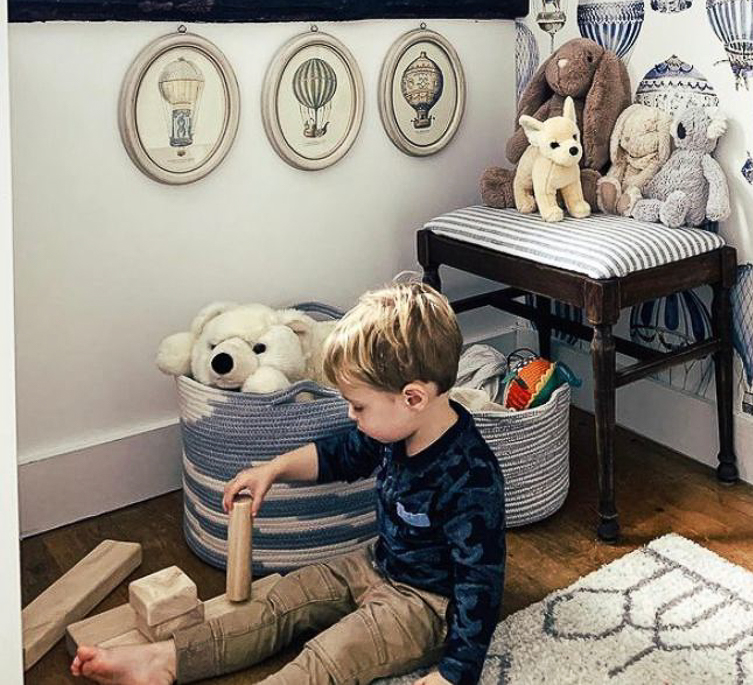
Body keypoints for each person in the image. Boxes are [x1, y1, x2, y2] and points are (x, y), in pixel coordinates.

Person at [71, 279, 506, 685]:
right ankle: (167, 658)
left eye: (358, 407)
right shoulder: (395, 429)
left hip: (426, 604)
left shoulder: (471, 477)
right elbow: (339, 454)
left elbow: (480, 582)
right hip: (376, 562)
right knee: (283, 599)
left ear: (413, 398)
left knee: (330, 655)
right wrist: (272, 470)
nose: (351, 416)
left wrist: (455, 673)